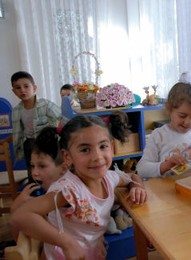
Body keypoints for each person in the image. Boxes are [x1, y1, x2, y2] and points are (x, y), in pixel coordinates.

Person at [11, 115, 147, 259]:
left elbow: (132, 177)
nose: (97, 156)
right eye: (85, 150)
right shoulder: (69, 191)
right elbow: (20, 216)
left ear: (112, 148)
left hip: (91, 253)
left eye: (103, 146)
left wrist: (137, 188)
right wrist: (68, 243)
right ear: (67, 157)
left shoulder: (108, 178)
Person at [137, 82, 191, 178]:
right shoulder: (159, 135)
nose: (188, 122)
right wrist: (167, 165)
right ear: (169, 110)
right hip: (168, 189)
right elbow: (141, 169)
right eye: (182, 116)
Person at [10, 126, 67, 240]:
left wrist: (16, 208)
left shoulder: (64, 193)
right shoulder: (42, 191)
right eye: (32, 166)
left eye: (42, 166)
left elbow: (16, 226)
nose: (34, 173)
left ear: (63, 168)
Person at [9, 71, 62, 182]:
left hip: (46, 142)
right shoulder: (16, 111)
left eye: (26, 86)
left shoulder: (45, 104)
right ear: (14, 91)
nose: (22, 90)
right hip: (29, 143)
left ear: (34, 88)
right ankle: (35, 192)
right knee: (33, 171)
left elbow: (61, 117)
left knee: (49, 167)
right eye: (18, 88)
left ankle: (53, 190)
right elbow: (17, 132)